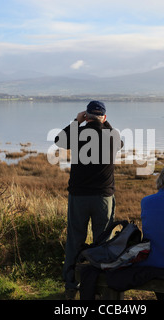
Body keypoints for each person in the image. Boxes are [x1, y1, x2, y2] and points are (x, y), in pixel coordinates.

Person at [54, 100, 123, 299]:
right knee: (104, 243)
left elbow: (59, 140)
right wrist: (106, 124)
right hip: (103, 197)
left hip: (79, 197)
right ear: (104, 117)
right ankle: (101, 286)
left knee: (75, 241)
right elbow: (121, 143)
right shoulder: (113, 135)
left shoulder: (78, 133)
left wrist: (76, 122)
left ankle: (70, 286)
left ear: (86, 116)